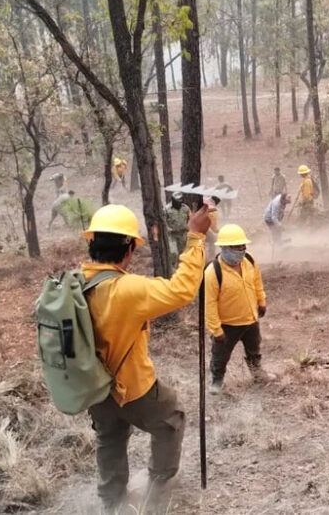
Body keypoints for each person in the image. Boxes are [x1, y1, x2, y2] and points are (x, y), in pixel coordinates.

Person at [80, 202, 212, 514]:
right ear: (129, 249)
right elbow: (182, 290)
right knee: (171, 417)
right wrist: (195, 237)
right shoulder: (128, 289)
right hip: (132, 386)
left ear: (92, 244)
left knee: (109, 437)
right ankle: (160, 483)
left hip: (91, 386)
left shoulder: (76, 283)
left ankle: (111, 500)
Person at [205, 224, 271, 392]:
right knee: (220, 355)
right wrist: (216, 330)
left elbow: (257, 282)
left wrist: (261, 301)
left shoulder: (249, 260)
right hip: (228, 325)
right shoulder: (213, 272)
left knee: (254, 350)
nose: (241, 250)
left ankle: (257, 375)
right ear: (224, 248)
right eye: (236, 247)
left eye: (242, 246)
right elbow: (209, 304)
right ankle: (217, 381)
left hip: (250, 319)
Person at [164, 192, 191, 274]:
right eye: (177, 200)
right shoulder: (167, 209)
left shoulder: (185, 208)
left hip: (183, 234)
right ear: (173, 200)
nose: (179, 202)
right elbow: (163, 222)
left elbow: (190, 218)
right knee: (173, 252)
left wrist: (188, 227)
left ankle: (181, 271)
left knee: (182, 253)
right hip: (172, 235)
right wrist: (168, 229)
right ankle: (173, 270)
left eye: (180, 200)